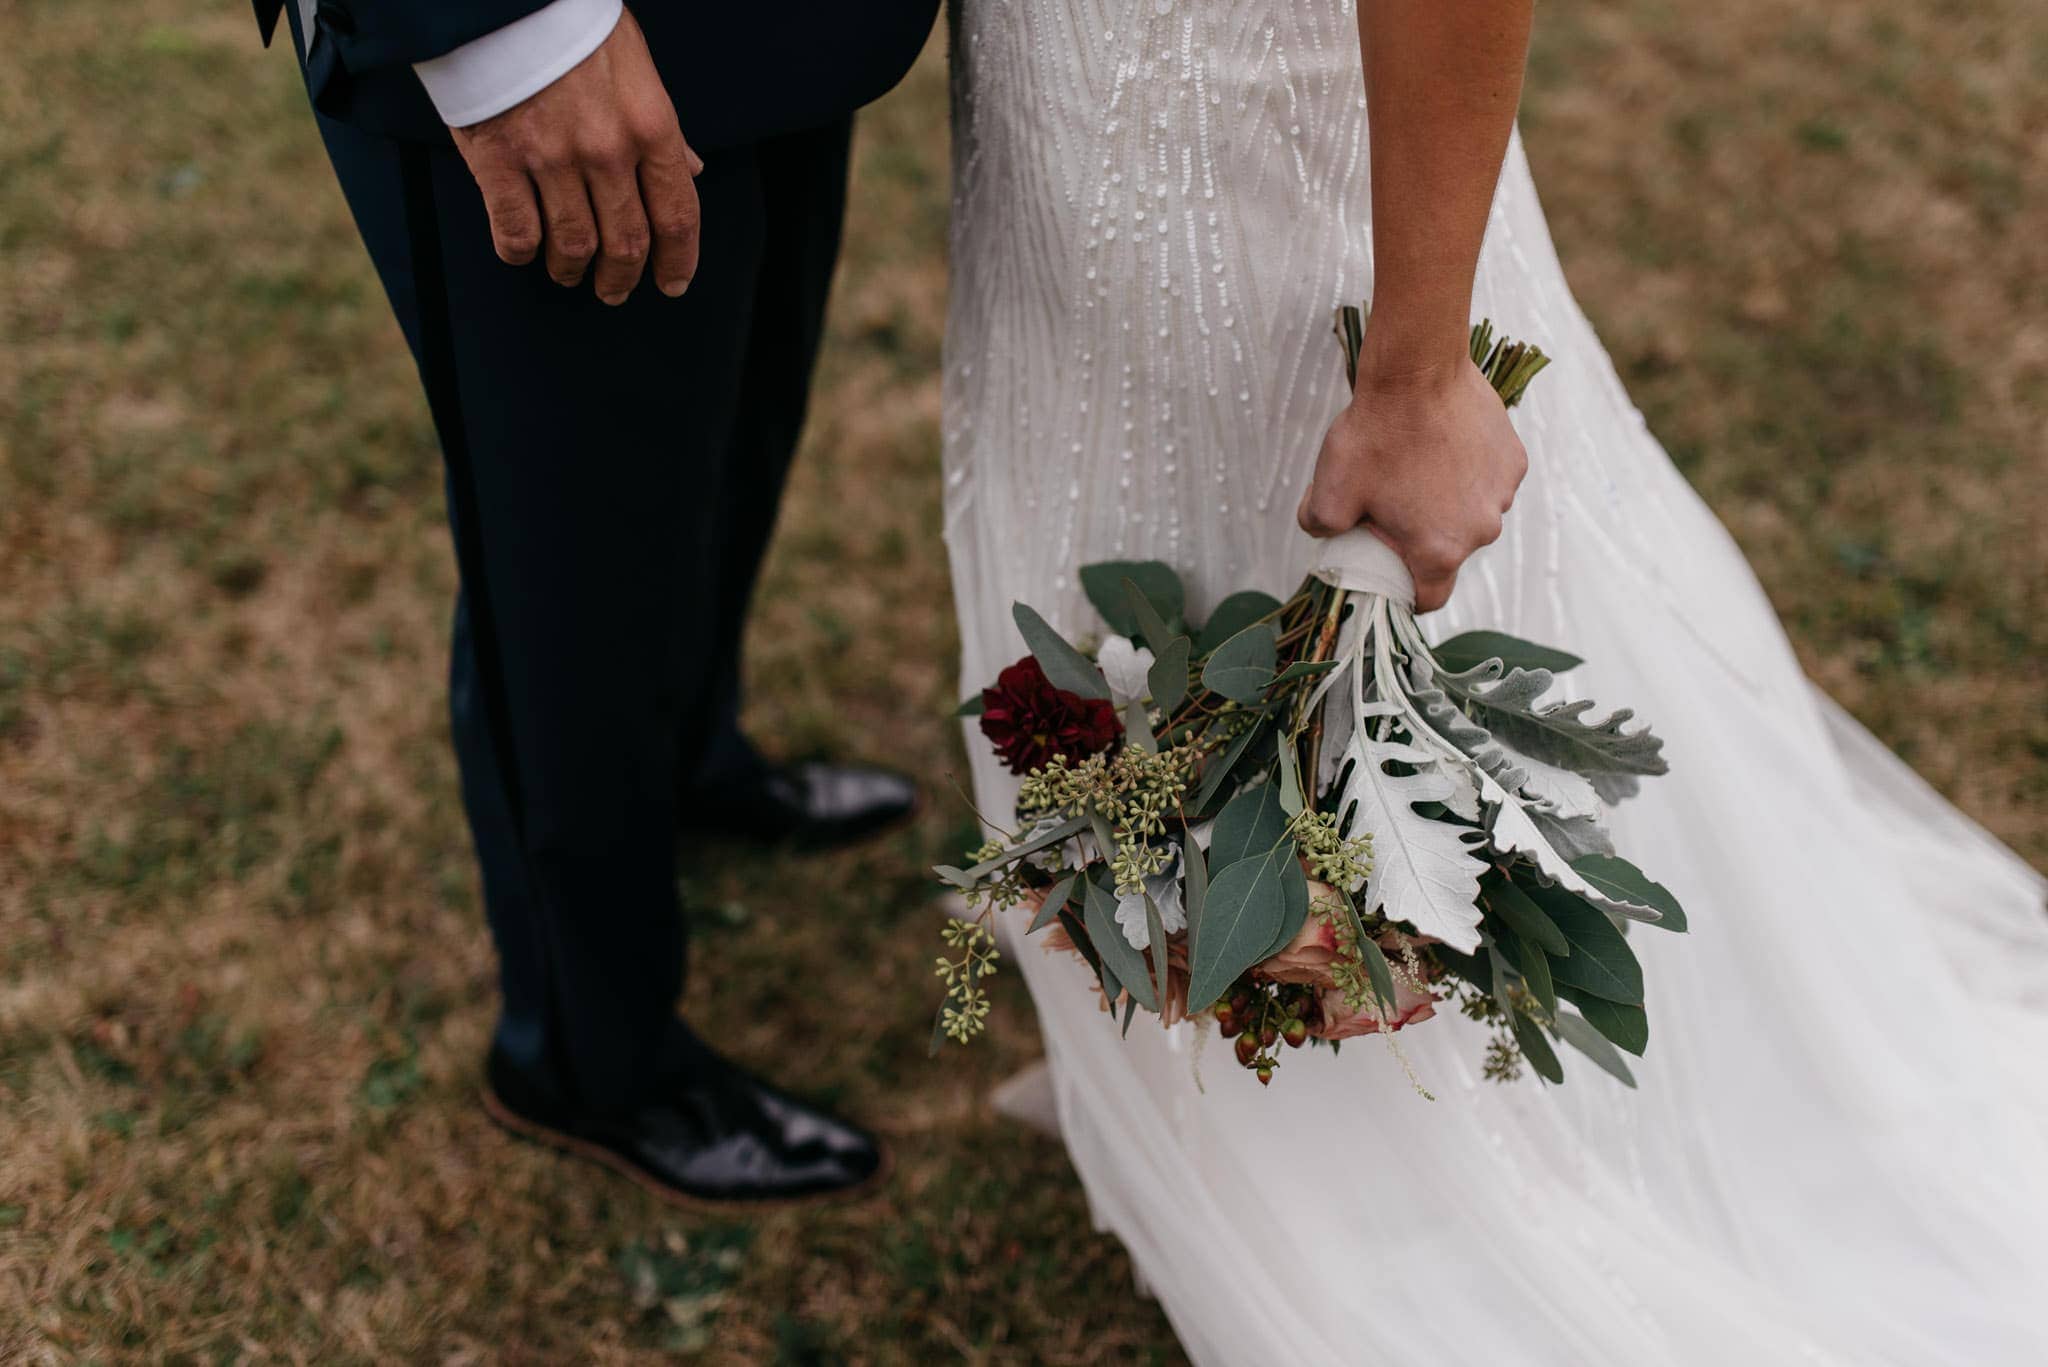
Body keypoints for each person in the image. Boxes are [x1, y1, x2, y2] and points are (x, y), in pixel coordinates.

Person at [941, 0, 2048, 1359]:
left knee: (1332, 564)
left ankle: (1440, 1058)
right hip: (1069, 125)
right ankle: (1223, 1024)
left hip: (1268, 131)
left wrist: (1413, 371)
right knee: (1136, 556)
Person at [252, 0, 936, 1206]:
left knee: (721, 441)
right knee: (571, 558)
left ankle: (684, 759)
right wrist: (503, 28)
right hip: (537, 44)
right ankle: (583, 1052)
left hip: (771, 36)